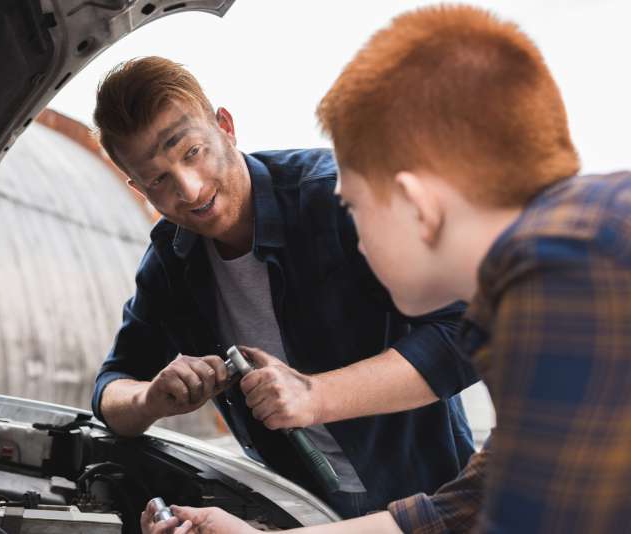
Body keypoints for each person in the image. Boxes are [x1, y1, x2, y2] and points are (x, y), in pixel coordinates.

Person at [146, 3, 631, 533]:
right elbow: (457, 512)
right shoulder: (549, 280)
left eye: (352, 206)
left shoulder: (576, 278)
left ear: (415, 206)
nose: (352, 232)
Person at [91, 56, 478, 518]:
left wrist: (316, 396)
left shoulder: (343, 197)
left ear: (225, 127)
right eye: (158, 179)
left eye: (192, 152)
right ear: (138, 189)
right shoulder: (169, 266)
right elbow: (110, 388)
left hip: (428, 502)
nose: (190, 191)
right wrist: (149, 398)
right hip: (299, 511)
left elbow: (468, 331)